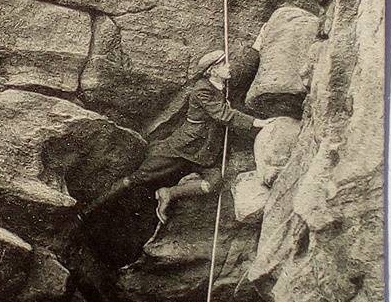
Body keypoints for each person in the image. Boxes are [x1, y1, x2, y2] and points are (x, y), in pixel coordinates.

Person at [85, 49, 272, 224]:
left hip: (205, 150)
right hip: (182, 146)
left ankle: (169, 193)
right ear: (213, 70)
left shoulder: (223, 84)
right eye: (224, 64)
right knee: (138, 177)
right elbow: (222, 114)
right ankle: (91, 209)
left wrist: (256, 46)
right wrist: (257, 123)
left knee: (213, 183)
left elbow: (241, 70)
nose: (229, 66)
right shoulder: (202, 90)